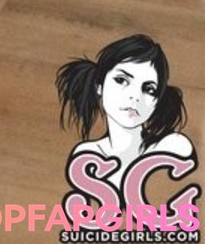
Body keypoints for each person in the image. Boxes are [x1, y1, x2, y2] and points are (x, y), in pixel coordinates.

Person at [56, 34, 194, 201]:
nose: (135, 97)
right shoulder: (87, 156)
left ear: (157, 101)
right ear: (99, 86)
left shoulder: (173, 146)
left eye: (149, 89)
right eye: (121, 80)